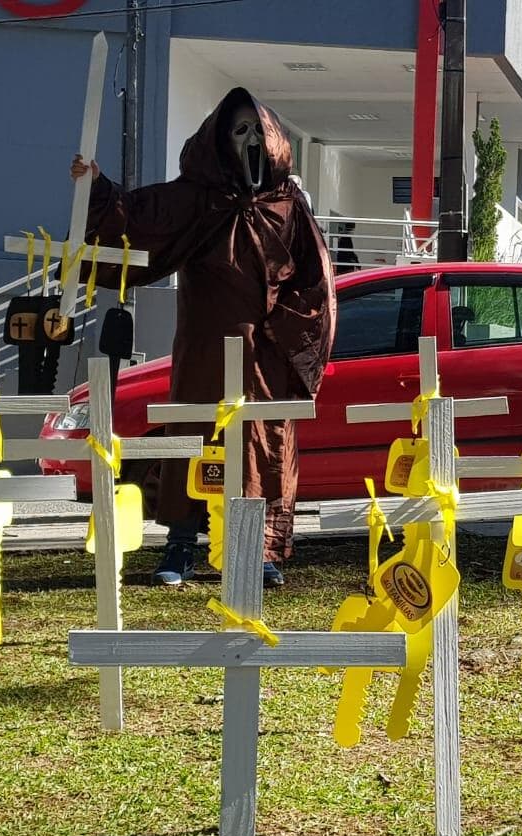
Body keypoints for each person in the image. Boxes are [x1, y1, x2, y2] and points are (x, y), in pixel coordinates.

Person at [70, 88, 336, 588]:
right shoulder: (196, 198)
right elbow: (138, 219)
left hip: (262, 356)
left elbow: (314, 279)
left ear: (274, 138)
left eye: (258, 130)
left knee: (259, 446)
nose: (251, 140)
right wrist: (98, 188)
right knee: (191, 438)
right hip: (203, 348)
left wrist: (285, 331)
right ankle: (180, 545)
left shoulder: (289, 206)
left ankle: (255, 551)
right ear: (221, 141)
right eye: (239, 132)